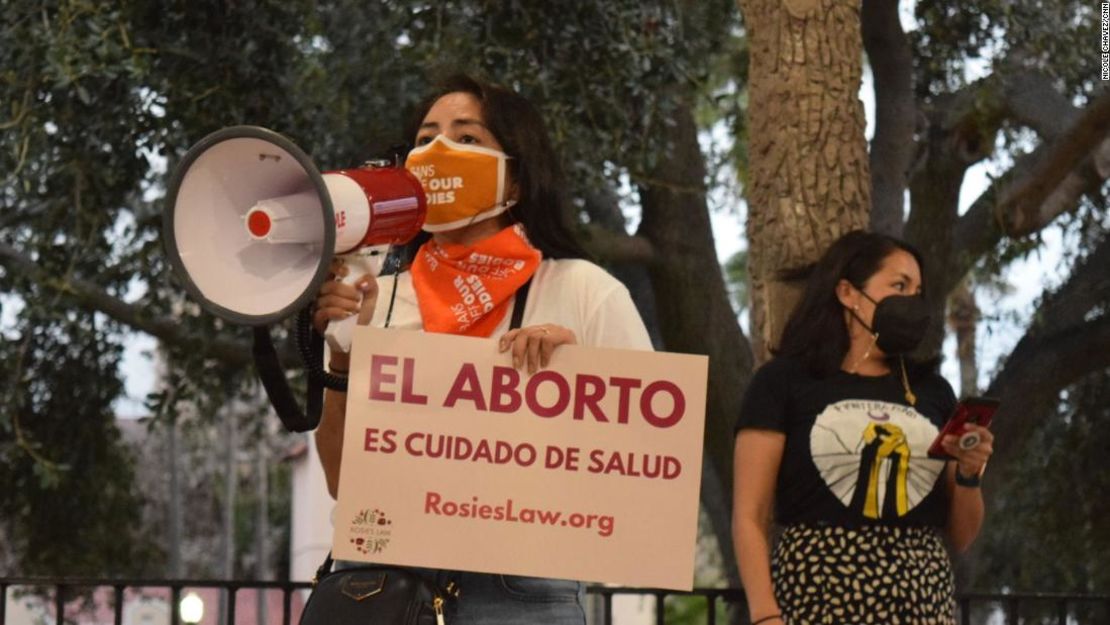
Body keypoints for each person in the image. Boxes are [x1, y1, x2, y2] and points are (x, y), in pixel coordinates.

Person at [312, 73, 652, 624]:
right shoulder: (375, 294)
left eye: (467, 137)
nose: (438, 150)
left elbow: (647, 470)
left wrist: (584, 378)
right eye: (425, 138)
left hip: (523, 589)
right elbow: (342, 483)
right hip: (386, 577)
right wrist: (343, 357)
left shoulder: (581, 290)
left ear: (516, 179)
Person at [732, 230, 994, 625]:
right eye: (899, 286)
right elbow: (750, 514)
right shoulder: (784, 382)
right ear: (847, 293)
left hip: (922, 602)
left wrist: (970, 473)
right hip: (817, 598)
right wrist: (765, 614)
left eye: (917, 291)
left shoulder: (933, 391)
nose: (911, 302)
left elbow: (962, 535)